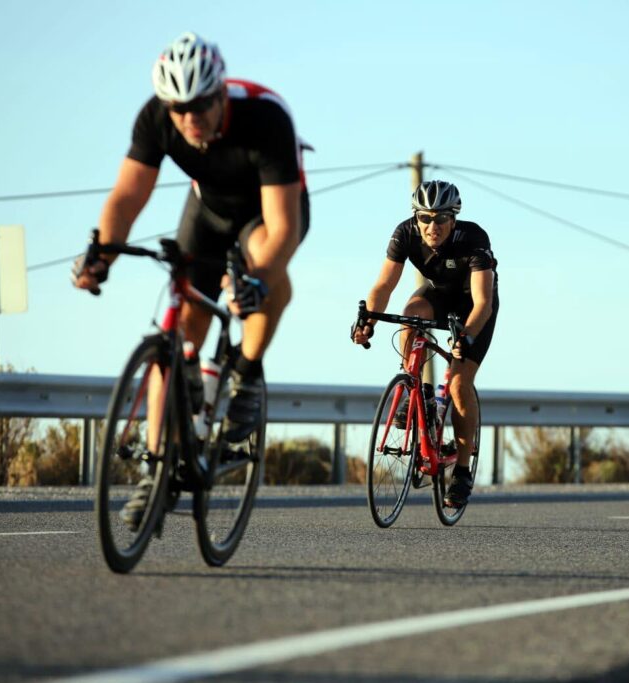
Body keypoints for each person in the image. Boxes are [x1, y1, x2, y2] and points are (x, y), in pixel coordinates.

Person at [72, 31, 309, 527]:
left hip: (268, 213)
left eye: (200, 105)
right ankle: (155, 472)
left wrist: (258, 280)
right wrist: (102, 256)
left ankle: (245, 372)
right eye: (178, 108)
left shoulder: (264, 117)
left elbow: (284, 227)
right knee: (181, 331)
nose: (189, 118)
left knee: (263, 272)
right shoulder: (157, 117)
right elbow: (127, 197)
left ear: (221, 92)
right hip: (207, 211)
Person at [352, 180, 498, 508]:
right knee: (410, 314)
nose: (432, 226)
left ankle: (461, 470)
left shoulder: (473, 238)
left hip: (472, 306)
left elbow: (483, 303)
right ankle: (412, 386)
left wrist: (466, 335)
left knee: (460, 384)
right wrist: (368, 321)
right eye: (425, 218)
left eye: (441, 218)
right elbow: (383, 285)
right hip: (438, 295)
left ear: (453, 219)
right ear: (416, 218)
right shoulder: (405, 233)